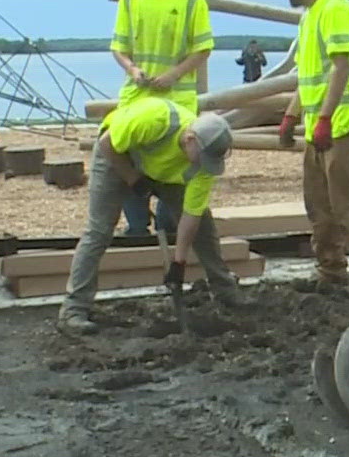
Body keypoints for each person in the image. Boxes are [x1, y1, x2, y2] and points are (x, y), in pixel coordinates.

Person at [57, 100, 236, 336]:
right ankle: (73, 310)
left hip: (161, 171)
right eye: (203, 158)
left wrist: (178, 264)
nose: (206, 165)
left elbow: (190, 217)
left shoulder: (203, 165)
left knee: (203, 225)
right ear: (190, 139)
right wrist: (133, 178)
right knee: (99, 230)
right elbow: (106, 144)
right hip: (116, 154)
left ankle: (225, 290)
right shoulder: (154, 120)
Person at [273, 0, 349, 295]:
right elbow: (310, 78)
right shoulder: (309, 17)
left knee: (346, 202)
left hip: (342, 125)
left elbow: (340, 68)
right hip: (321, 126)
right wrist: (291, 115)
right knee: (318, 203)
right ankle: (331, 270)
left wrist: (325, 119)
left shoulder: (334, 9)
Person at [110, 0, 212, 241]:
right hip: (138, 95)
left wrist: (174, 75)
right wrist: (133, 69)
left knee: (178, 166)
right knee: (126, 157)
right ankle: (137, 227)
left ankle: (169, 224)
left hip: (178, 98)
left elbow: (203, 48)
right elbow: (119, 47)